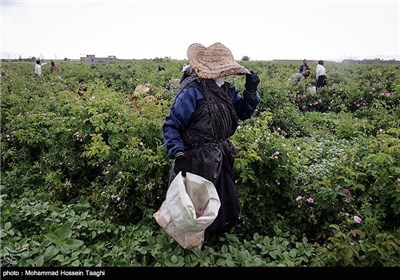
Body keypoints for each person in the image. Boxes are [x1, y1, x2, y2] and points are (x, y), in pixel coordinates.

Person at [162, 42, 261, 235]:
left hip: (219, 155)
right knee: (192, 202)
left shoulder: (227, 90)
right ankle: (192, 237)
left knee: (221, 200)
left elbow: (242, 112)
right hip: (195, 158)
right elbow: (172, 124)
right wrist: (177, 151)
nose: (226, 74)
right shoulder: (193, 92)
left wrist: (250, 92)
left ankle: (215, 235)